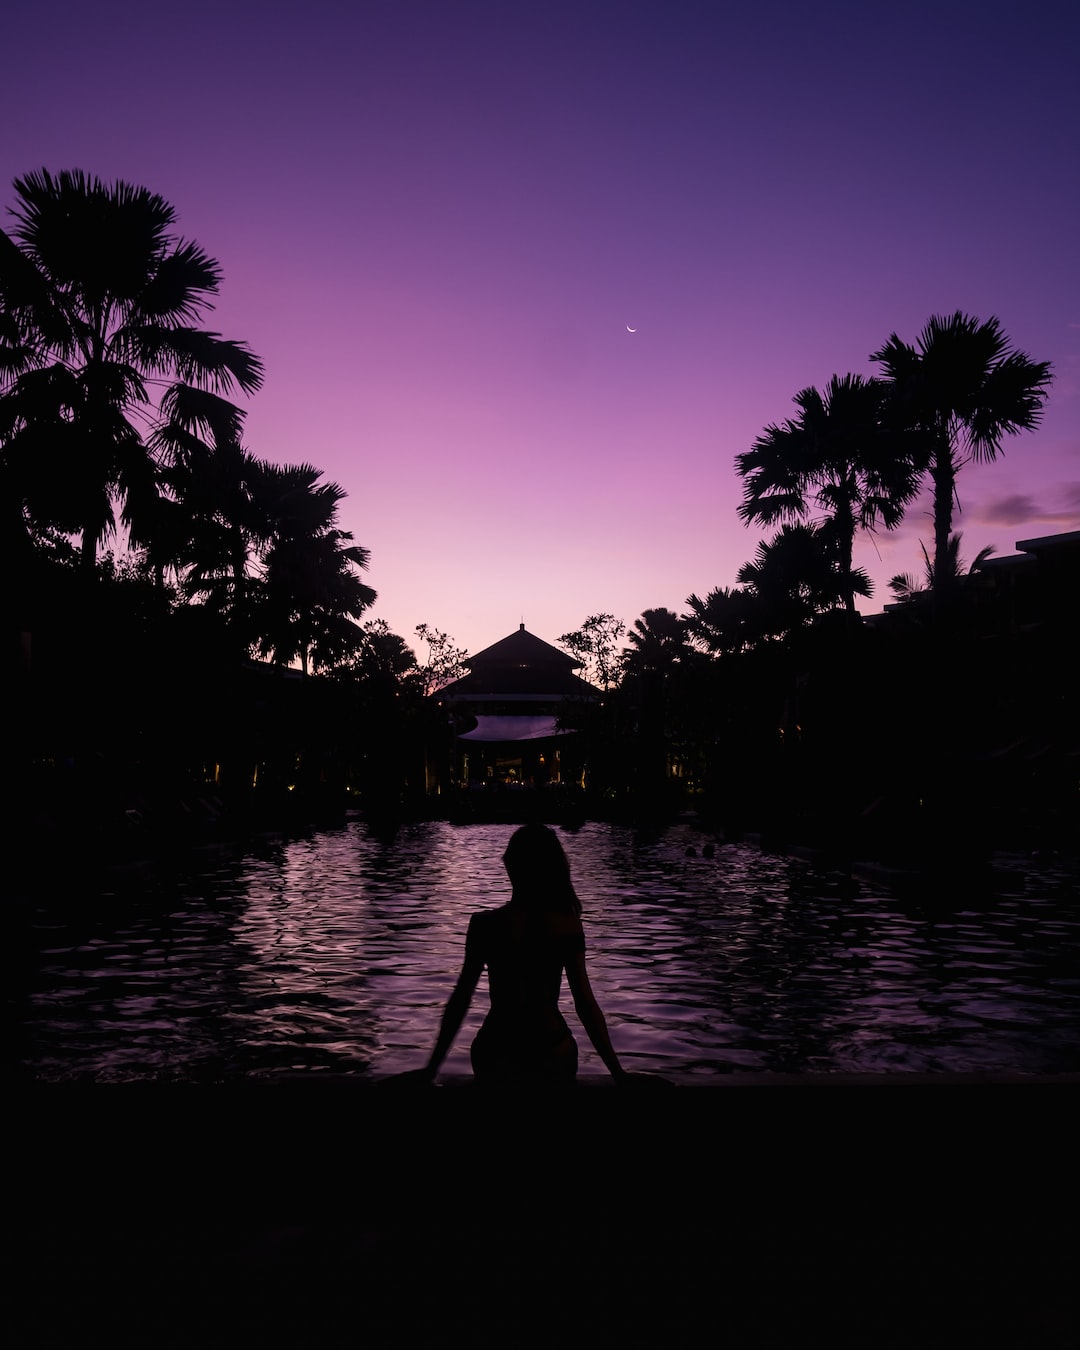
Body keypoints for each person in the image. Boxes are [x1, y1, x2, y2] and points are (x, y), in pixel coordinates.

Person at [411, 823, 631, 1087]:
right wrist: (618, 1073)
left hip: (496, 1052)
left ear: (509, 864)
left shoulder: (484, 925)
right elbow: (584, 1002)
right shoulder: (567, 925)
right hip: (552, 1050)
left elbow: (460, 999)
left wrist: (431, 1069)